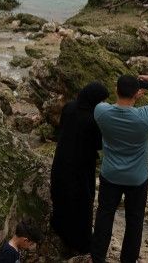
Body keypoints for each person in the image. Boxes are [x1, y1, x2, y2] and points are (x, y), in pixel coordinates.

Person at [91, 74, 148, 263]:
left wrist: (130, 97)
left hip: (110, 175)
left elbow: (110, 105)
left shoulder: (101, 112)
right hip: (137, 178)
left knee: (104, 216)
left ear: (116, 90)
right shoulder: (145, 117)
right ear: (137, 94)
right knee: (134, 223)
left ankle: (98, 257)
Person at [50, 81, 109, 255]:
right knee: (82, 204)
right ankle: (80, 244)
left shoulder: (69, 107)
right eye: (102, 101)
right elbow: (99, 144)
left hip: (61, 161)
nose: (103, 104)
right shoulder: (92, 119)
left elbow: (62, 128)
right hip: (81, 167)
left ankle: (61, 231)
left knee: (62, 198)